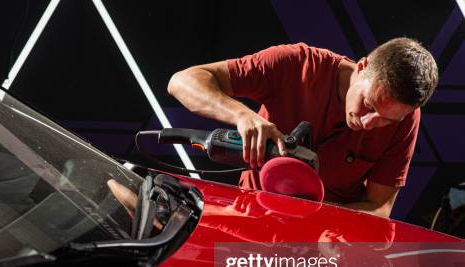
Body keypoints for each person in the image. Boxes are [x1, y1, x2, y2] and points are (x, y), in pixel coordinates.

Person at [167, 38, 438, 218]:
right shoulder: (297, 63)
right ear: (362, 67)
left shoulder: (407, 118)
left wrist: (320, 223)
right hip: (248, 215)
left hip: (321, 244)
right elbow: (182, 81)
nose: (368, 123)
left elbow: (380, 207)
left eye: (386, 120)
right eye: (368, 104)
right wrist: (242, 115)